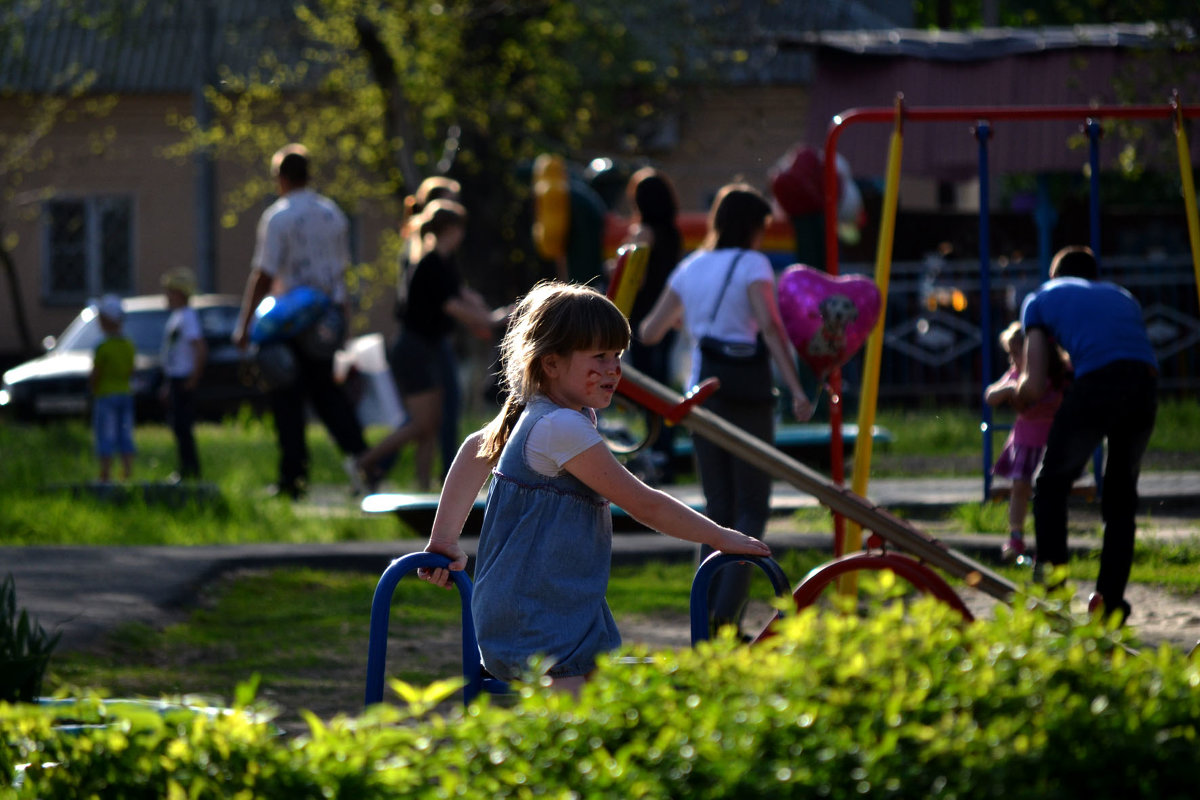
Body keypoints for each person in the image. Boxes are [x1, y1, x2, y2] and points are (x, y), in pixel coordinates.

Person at [417, 282, 771, 694]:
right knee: (577, 735)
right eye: (599, 357)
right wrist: (720, 537)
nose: (613, 369)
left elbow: (476, 447)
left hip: (550, 610)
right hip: (535, 622)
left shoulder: (548, 413)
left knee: (612, 716)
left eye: (617, 356)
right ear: (551, 364)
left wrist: (444, 540)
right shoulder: (559, 426)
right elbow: (643, 503)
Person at [638, 182, 814, 638]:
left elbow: (651, 331)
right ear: (753, 228)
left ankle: (704, 615)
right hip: (747, 393)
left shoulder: (690, 266)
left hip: (701, 396)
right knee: (752, 506)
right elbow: (771, 328)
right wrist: (796, 387)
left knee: (716, 509)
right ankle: (724, 617)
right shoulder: (753, 263)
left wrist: (695, 321)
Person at [1017, 245, 1158, 623]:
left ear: (1055, 275)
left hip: (1098, 384)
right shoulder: (1121, 297)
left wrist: (1002, 395)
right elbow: (1116, 347)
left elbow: (1031, 386)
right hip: (1145, 385)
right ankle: (1109, 602)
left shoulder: (1040, 298)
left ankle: (1053, 591)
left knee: (1050, 485)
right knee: (1120, 496)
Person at [233, 143, 368, 500]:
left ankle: (293, 477)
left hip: (288, 322)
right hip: (325, 317)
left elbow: (263, 274)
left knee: (287, 398)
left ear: (282, 177)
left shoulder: (279, 216)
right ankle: (365, 460)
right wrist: (344, 322)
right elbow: (341, 274)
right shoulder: (333, 214)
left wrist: (245, 325)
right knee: (328, 395)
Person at [359, 199, 507, 491]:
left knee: (431, 423)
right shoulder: (429, 264)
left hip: (423, 349)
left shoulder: (444, 262)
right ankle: (365, 463)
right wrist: (491, 320)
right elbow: (454, 307)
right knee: (422, 423)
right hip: (412, 350)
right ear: (451, 229)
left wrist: (487, 315)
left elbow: (463, 296)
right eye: (460, 229)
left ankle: (423, 486)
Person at [984, 320, 1065, 562]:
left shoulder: (1053, 376)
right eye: (1010, 355)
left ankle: (1046, 543)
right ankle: (1016, 536)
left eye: (1016, 354)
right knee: (1019, 488)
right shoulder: (1015, 376)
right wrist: (1009, 388)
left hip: (1049, 443)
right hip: (1024, 442)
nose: (1012, 361)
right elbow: (990, 395)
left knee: (1047, 495)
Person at [622, 167, 684, 484]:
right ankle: (665, 451)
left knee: (645, 389)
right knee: (661, 386)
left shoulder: (643, 233)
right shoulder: (672, 233)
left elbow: (636, 277)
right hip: (666, 315)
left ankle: (653, 450)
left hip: (642, 317)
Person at [159, 266, 207, 481]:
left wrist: (193, 378)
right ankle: (185, 468)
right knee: (178, 426)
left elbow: (200, 348)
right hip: (176, 378)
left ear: (179, 293)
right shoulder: (178, 317)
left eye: (170, 291)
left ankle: (190, 470)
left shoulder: (188, 317)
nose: (167, 296)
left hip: (184, 379)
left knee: (184, 427)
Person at [90, 294, 136, 482]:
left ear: (106, 321)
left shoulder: (102, 347)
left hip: (105, 395)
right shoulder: (128, 345)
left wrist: (92, 388)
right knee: (125, 433)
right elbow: (131, 371)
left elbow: (96, 373)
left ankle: (105, 474)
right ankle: (127, 472)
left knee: (105, 435)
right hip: (125, 393)